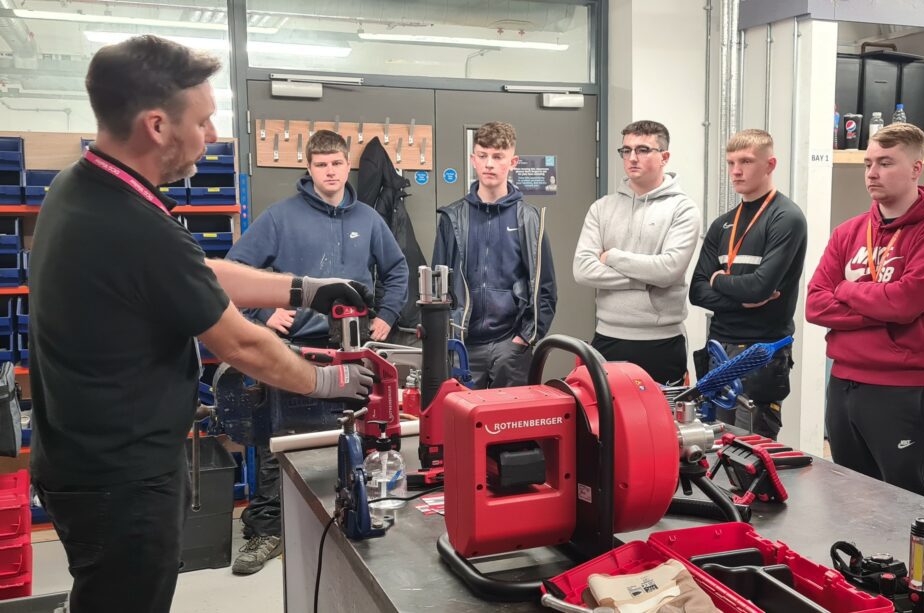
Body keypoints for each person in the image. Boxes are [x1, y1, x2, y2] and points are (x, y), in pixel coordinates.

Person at [28, 35, 374, 612]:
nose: (211, 136)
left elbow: (195, 271)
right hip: (122, 478)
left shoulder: (82, 186)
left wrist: (304, 289)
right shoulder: (133, 224)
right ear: (157, 125)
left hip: (83, 456)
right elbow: (241, 344)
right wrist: (327, 381)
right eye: (204, 121)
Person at [223, 129, 408, 575]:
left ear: (347, 166)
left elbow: (397, 269)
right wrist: (263, 313)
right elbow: (234, 269)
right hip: (294, 353)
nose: (330, 172)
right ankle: (268, 532)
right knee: (280, 444)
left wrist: (385, 315)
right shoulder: (280, 217)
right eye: (321, 164)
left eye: (337, 163)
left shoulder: (368, 218)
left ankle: (347, 518)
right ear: (309, 168)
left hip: (351, 352)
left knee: (355, 439)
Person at [805, 123, 924, 500]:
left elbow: (905, 302)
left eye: (886, 163)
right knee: (847, 498)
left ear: (916, 168)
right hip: (843, 385)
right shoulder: (848, 232)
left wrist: (846, 290)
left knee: (903, 503)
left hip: (903, 391)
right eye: (868, 164)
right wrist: (882, 305)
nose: (872, 173)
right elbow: (815, 304)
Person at [688, 129, 807, 438]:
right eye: (731, 163)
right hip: (719, 347)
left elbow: (760, 287)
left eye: (746, 161)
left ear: (770, 164)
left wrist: (719, 280)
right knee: (717, 442)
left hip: (761, 352)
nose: (736, 171)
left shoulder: (786, 218)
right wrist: (743, 298)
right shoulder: (722, 224)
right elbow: (697, 291)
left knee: (752, 450)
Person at [573, 120, 701, 384]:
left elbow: (668, 270)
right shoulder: (602, 208)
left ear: (665, 157)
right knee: (606, 411)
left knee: (662, 412)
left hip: (661, 342)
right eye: (626, 150)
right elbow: (583, 270)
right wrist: (644, 281)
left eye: (643, 150)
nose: (632, 158)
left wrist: (612, 257)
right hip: (608, 338)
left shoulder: (683, 209)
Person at [433, 121, 556, 389]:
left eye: (498, 157)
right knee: (459, 414)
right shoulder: (452, 218)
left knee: (510, 415)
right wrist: (446, 337)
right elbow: (436, 286)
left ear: (513, 162)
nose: (489, 164)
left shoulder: (529, 219)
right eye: (483, 155)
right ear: (473, 160)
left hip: (511, 345)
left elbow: (544, 289)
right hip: (463, 345)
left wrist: (526, 337)